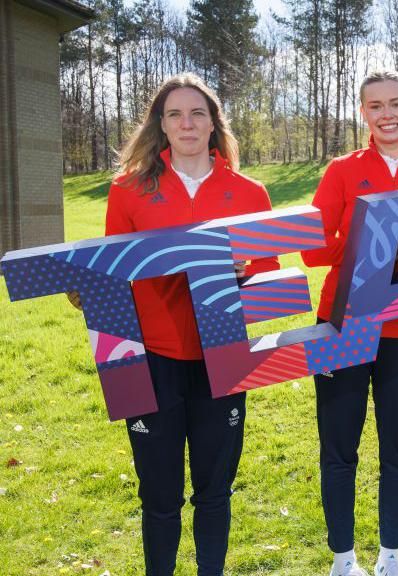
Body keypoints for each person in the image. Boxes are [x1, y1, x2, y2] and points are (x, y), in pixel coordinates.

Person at [85, 73, 278, 576]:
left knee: (215, 490)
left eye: (198, 113)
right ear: (161, 124)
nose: (187, 122)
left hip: (225, 358)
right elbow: (109, 275)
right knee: (159, 494)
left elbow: (267, 274)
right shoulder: (128, 189)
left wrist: (245, 269)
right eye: (175, 114)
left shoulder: (250, 192)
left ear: (214, 123)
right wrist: (81, 288)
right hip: (150, 362)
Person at [301, 71, 398, 576]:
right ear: (363, 112)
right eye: (375, 106)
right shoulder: (341, 171)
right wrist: (367, 249)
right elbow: (313, 250)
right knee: (338, 446)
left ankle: (390, 555)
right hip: (339, 325)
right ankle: (343, 559)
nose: (386, 113)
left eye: (395, 103)